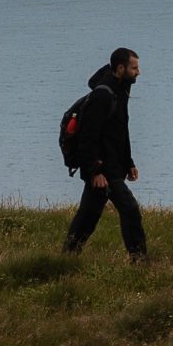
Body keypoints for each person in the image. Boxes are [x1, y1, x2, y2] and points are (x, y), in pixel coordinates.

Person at [63, 47, 147, 261]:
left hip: (113, 164)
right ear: (120, 68)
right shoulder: (102, 95)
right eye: (134, 68)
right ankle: (139, 260)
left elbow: (120, 131)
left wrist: (129, 163)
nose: (138, 72)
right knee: (130, 209)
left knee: (88, 215)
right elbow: (87, 138)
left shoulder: (121, 89)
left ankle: (68, 256)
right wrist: (94, 172)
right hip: (103, 168)